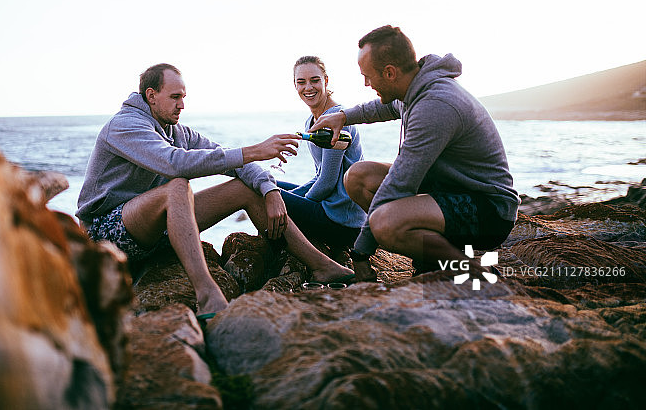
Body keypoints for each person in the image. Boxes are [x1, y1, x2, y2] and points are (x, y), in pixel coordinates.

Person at [77, 63, 354, 318]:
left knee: (244, 188)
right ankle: (207, 295)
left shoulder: (176, 131)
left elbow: (223, 156)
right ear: (151, 95)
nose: (182, 105)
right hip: (105, 233)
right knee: (177, 186)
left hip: (153, 232)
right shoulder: (125, 125)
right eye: (175, 97)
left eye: (183, 97)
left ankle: (322, 266)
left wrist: (269, 190)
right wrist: (256, 150)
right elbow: (174, 164)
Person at [309, 26, 519, 281]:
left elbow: (399, 185)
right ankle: (431, 258)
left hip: (487, 208)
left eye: (368, 76)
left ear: (389, 72)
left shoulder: (435, 105)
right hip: (448, 190)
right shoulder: (414, 87)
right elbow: (380, 109)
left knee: (385, 224)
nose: (366, 83)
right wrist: (342, 116)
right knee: (358, 177)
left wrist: (361, 253)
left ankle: (474, 271)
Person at [275, 56, 367, 252]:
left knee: (261, 194)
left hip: (342, 221)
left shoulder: (339, 119)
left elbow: (326, 182)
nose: (308, 87)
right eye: (301, 82)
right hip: (327, 207)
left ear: (325, 81)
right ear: (295, 85)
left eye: (314, 80)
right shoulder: (311, 121)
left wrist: (286, 201)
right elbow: (319, 176)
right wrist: (287, 197)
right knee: (266, 185)